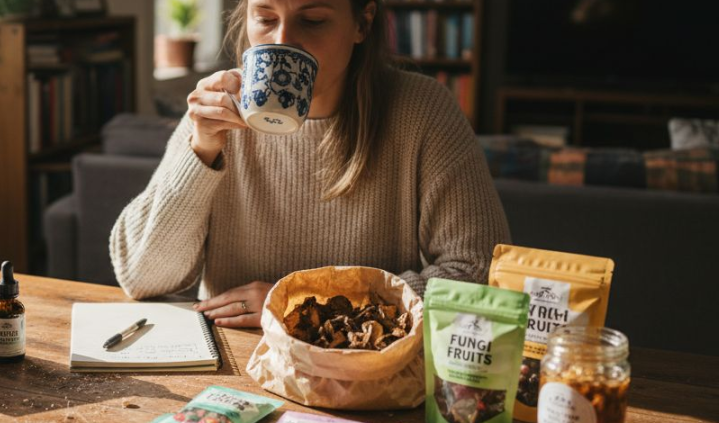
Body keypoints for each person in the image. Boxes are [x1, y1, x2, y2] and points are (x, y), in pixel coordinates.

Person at [109, 0, 509, 328]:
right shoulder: (218, 112)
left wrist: (304, 302)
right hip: (230, 364)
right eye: (265, 18)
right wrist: (201, 150)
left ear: (362, 23)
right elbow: (141, 277)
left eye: (313, 20)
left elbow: (481, 276)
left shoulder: (421, 112)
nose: (284, 41)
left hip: (359, 368)